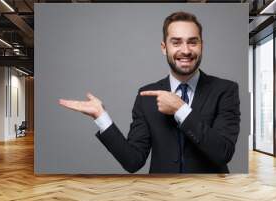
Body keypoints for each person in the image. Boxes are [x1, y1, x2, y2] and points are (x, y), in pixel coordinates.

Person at [59, 11, 240, 173]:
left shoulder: (225, 90)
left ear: (202, 45)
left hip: (210, 199)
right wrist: (101, 117)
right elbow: (133, 161)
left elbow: (223, 153)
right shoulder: (146, 96)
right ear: (164, 48)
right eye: (176, 42)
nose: (185, 50)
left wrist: (180, 109)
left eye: (193, 42)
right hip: (161, 198)